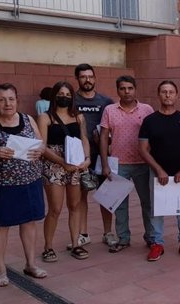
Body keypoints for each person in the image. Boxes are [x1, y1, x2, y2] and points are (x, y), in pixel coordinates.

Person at [0, 83, 47, 286]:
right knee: (0, 226)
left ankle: (30, 264)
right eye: (2, 99)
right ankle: (0, 269)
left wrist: (39, 150)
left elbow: (41, 143)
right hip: (1, 184)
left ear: (17, 100)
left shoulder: (28, 119)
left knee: (30, 222)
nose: (7, 103)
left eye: (11, 99)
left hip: (30, 181)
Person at [139, 80, 180, 261]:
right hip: (157, 174)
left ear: (177, 95)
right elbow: (142, 149)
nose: (168, 95)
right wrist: (158, 170)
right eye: (164, 92)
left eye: (171, 92)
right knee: (157, 209)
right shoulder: (150, 121)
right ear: (159, 95)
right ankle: (157, 244)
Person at [100, 75, 155, 253]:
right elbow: (103, 138)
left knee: (147, 202)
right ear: (118, 91)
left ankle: (152, 237)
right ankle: (123, 238)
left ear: (135, 89)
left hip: (143, 163)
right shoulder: (110, 110)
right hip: (118, 164)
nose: (127, 92)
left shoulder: (147, 110)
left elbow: (155, 136)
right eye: (123, 88)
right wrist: (105, 164)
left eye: (130, 88)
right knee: (119, 204)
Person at [37, 81, 91, 262]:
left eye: (68, 95)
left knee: (75, 206)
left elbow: (84, 138)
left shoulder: (79, 117)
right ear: (54, 96)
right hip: (54, 165)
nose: (65, 97)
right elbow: (42, 147)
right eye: (61, 94)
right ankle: (48, 247)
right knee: (55, 208)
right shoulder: (45, 118)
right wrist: (62, 162)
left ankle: (76, 243)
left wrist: (87, 159)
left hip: (75, 164)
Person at [73, 63, 117, 249]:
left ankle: (108, 232)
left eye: (90, 76)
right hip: (79, 157)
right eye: (83, 77)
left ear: (95, 78)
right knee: (80, 196)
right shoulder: (72, 100)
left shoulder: (106, 101)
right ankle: (83, 234)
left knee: (105, 196)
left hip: (102, 157)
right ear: (77, 79)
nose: (87, 80)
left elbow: (114, 128)